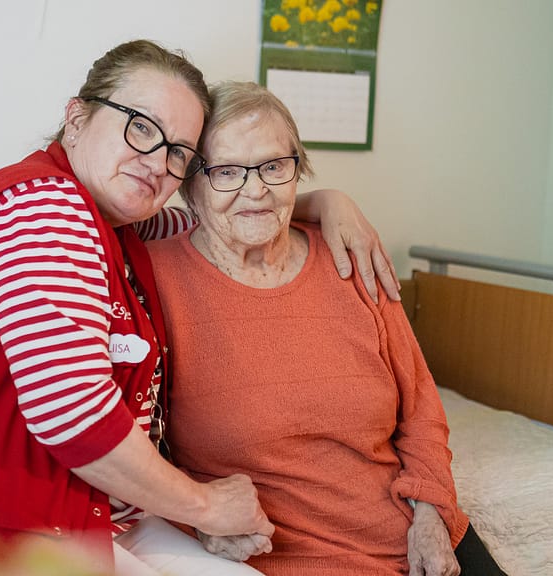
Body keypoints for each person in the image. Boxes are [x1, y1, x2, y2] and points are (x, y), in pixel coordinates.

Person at [0, 41, 399, 573]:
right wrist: (206, 506)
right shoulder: (44, 209)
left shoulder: (119, 224)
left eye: (178, 152)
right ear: (77, 118)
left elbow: (219, 215)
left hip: (84, 515)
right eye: (141, 127)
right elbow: (76, 417)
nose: (157, 162)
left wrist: (325, 202)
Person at [147, 81, 506, 576]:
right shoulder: (154, 277)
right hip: (286, 557)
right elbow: (136, 441)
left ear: (298, 170)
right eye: (227, 171)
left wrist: (431, 513)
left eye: (274, 166)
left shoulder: (351, 257)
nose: (256, 189)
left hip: (409, 534)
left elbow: (421, 409)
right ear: (190, 185)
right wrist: (198, 516)